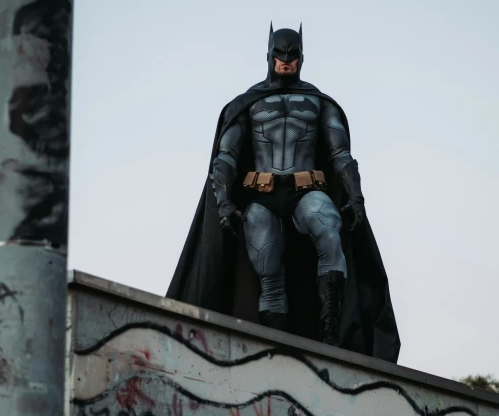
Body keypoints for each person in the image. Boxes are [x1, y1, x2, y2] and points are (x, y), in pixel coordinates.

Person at [167, 25, 400, 362]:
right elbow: (226, 156)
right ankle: (274, 343)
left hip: (307, 190)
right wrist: (224, 201)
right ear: (269, 55)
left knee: (328, 226)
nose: (286, 61)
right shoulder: (247, 103)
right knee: (267, 263)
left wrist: (355, 197)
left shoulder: (319, 103)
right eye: (280, 55)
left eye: (292, 55)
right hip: (262, 195)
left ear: (301, 57)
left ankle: (331, 328)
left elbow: (340, 155)